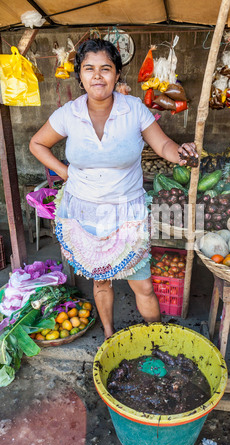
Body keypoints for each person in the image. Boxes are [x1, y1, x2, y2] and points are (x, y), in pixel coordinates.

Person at [29, 38, 198, 340]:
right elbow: (37, 144)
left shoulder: (134, 110)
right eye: (89, 68)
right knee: (101, 282)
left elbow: (163, 144)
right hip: (83, 210)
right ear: (79, 76)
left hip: (126, 210)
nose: (97, 76)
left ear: (117, 74)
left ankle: (156, 337)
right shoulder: (69, 114)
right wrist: (66, 172)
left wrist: (181, 152)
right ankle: (109, 333)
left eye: (106, 68)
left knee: (143, 284)